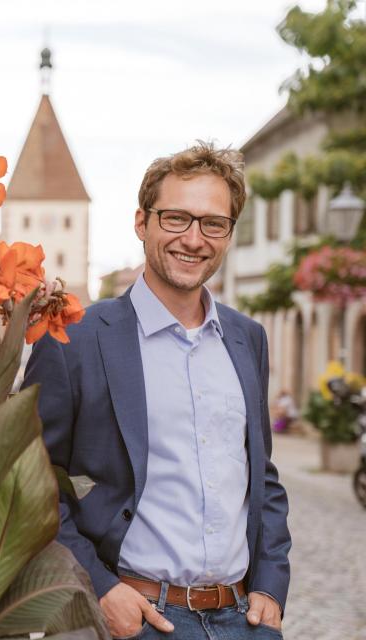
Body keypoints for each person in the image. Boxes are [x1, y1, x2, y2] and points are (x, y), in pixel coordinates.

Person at [23, 141, 291, 640]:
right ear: (141, 222)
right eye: (176, 218)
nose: (194, 239)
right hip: (134, 618)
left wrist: (272, 587)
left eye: (213, 223)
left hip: (244, 620)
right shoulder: (75, 339)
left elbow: (262, 476)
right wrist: (100, 588)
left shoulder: (247, 338)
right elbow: (31, 485)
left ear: (229, 233)